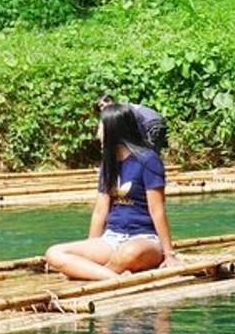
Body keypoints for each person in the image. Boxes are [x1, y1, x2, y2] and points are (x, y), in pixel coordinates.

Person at [45, 104, 180, 280]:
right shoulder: (108, 164)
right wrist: (90, 247)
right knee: (54, 253)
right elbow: (100, 212)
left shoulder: (148, 161)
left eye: (100, 128)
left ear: (113, 130)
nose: (97, 134)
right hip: (111, 239)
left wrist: (169, 254)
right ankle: (113, 277)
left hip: (144, 240)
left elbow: (157, 211)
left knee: (130, 253)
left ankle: (90, 272)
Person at [96, 94, 167, 153]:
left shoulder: (121, 110)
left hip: (152, 124)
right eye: (100, 107)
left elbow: (132, 126)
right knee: (152, 152)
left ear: (110, 101)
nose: (102, 108)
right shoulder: (124, 106)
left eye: (103, 105)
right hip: (156, 122)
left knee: (149, 153)